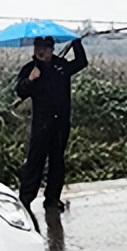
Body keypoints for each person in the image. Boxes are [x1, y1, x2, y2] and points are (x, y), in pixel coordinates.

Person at [16, 35, 87, 211]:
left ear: (52, 49)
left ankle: (52, 198)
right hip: (41, 123)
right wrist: (31, 79)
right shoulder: (29, 69)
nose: (41, 51)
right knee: (35, 160)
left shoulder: (61, 66)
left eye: (45, 48)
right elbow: (20, 92)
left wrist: (76, 41)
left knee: (57, 161)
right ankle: (25, 199)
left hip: (61, 121)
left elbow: (81, 62)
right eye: (38, 47)